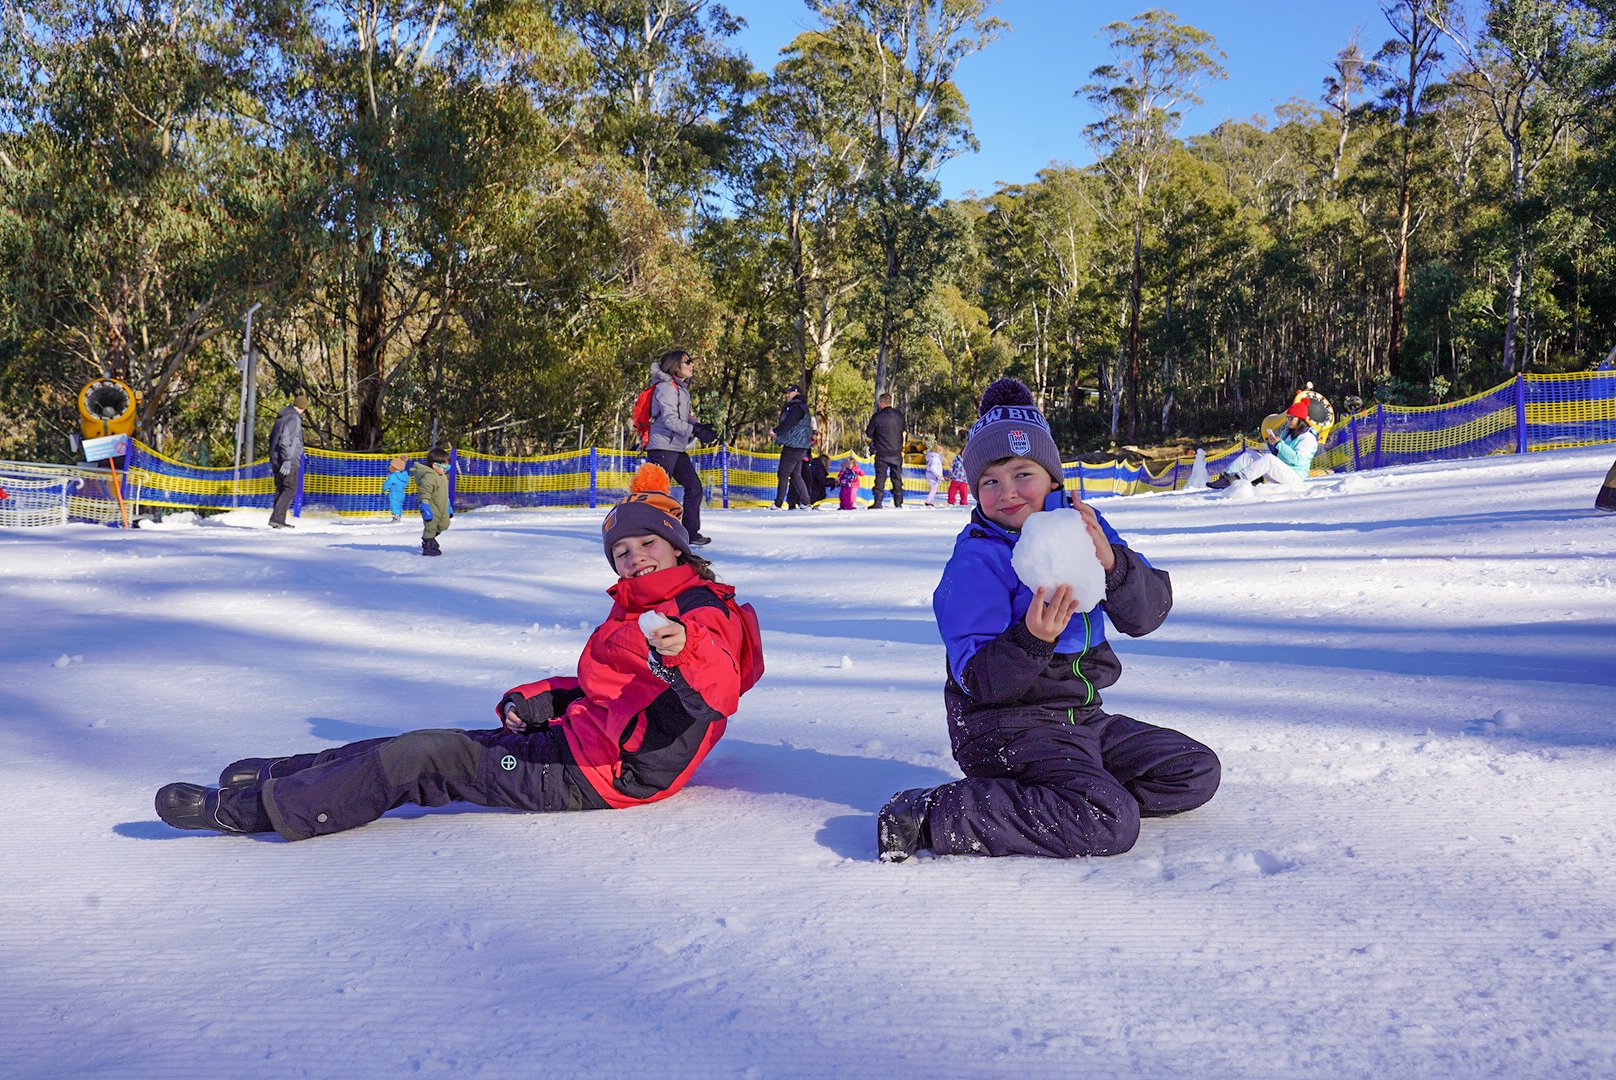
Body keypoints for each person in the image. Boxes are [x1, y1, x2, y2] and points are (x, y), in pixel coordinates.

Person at [153, 463, 764, 840]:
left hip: (602, 777)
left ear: (678, 546)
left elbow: (716, 686)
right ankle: (286, 772)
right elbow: (625, 691)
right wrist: (540, 699)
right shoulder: (646, 605)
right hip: (579, 745)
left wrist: (681, 651)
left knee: (426, 760)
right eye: (622, 552)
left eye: (646, 544)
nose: (635, 559)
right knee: (424, 741)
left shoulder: (699, 612)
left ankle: (254, 811)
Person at [877, 378, 1220, 862]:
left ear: (1052, 477)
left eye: (1022, 474)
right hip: (1005, 728)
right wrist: (1032, 639)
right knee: (1109, 821)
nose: (1007, 492)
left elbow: (1147, 616)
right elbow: (976, 680)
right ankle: (934, 814)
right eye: (990, 481)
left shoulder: (1083, 525)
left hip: (1082, 717)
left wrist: (1113, 565)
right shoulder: (976, 561)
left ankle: (1067, 796)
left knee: (1194, 770)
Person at [645, 349, 711, 545]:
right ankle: (649, 532)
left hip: (675, 446)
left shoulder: (680, 388)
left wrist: (698, 425)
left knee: (694, 487)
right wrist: (695, 431)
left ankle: (690, 533)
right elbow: (670, 420)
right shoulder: (665, 388)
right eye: (687, 361)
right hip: (662, 446)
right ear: (675, 366)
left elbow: (682, 417)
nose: (692, 365)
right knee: (658, 493)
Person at [1207, 400, 1318, 489]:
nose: (1288, 421)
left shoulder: (1307, 437)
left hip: (1295, 475)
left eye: (1291, 418)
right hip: (1282, 470)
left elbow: (1297, 459)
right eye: (1287, 417)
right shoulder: (1288, 433)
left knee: (1268, 459)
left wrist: (1280, 444)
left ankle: (1238, 479)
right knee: (1250, 454)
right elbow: (1278, 454)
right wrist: (1272, 444)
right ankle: (1226, 476)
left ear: (1300, 419)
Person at [770, 383, 815, 510]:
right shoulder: (800, 406)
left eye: (789, 392)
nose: (787, 395)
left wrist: (776, 431)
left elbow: (789, 423)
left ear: (796, 393)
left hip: (794, 446)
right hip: (799, 446)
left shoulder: (797, 407)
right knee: (795, 475)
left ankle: (778, 503)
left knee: (783, 473)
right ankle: (806, 502)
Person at [266, 394, 308, 528]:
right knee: (290, 488)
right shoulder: (294, 418)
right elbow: (286, 440)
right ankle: (277, 519)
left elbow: (272, 438)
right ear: (303, 407)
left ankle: (277, 519)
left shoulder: (282, 417)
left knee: (281, 488)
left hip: (276, 458)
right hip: (287, 460)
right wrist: (288, 459)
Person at [864, 392, 905, 508]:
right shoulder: (899, 416)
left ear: (882, 403)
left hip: (882, 452)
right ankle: (898, 502)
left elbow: (869, 433)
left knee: (880, 478)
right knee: (897, 478)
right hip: (896, 452)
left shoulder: (877, 417)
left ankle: (878, 502)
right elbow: (903, 431)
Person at [411, 448, 451, 556]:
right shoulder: (429, 477)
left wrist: (448, 505)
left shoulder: (443, 477)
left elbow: (444, 493)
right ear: (435, 465)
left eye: (448, 466)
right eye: (444, 466)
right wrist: (425, 506)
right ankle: (428, 545)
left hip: (442, 507)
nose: (446, 468)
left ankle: (430, 538)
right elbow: (424, 493)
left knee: (445, 524)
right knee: (431, 526)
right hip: (431, 507)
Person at [802, 440, 832, 507]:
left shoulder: (815, 465)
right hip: (812, 490)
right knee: (820, 491)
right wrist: (833, 481)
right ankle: (808, 503)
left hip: (809, 487)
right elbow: (822, 481)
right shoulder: (818, 468)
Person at [382, 455, 409, 523]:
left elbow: (387, 483)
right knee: (399, 505)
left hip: (394, 493)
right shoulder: (404, 476)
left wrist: (384, 489)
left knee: (394, 505)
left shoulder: (393, 476)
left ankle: (395, 517)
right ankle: (398, 515)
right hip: (401, 493)